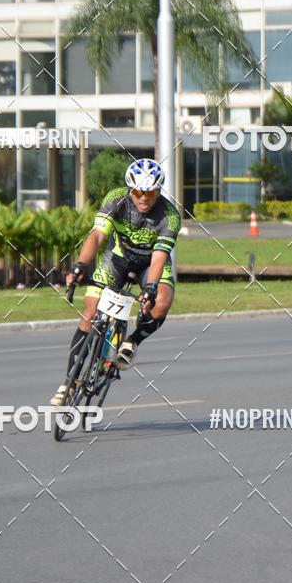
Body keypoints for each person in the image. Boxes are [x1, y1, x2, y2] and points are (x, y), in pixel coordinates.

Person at [51, 158, 181, 405]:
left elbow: (159, 257)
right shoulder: (116, 199)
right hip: (118, 259)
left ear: (158, 192)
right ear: (130, 189)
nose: (144, 198)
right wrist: (81, 265)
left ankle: (133, 341)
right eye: (138, 192)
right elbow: (97, 236)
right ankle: (69, 381)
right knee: (90, 313)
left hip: (150, 265)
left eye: (150, 193)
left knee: (162, 301)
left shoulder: (169, 216)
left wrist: (151, 289)